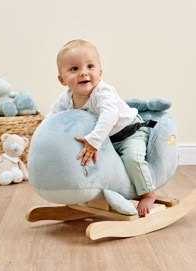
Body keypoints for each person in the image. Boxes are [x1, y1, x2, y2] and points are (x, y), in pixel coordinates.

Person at [48, 39, 156, 217]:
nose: (84, 73)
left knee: (132, 159)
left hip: (130, 133)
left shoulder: (103, 92)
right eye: (74, 69)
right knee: (95, 163)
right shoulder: (65, 98)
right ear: (62, 79)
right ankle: (95, 192)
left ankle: (148, 193)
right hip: (107, 139)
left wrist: (94, 140)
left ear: (100, 71)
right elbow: (52, 118)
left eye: (90, 66)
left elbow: (109, 116)